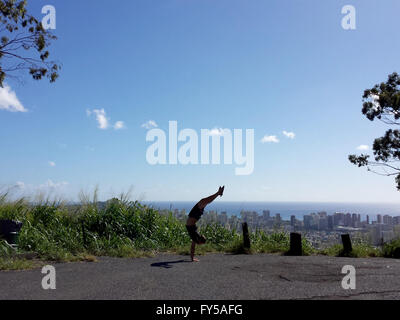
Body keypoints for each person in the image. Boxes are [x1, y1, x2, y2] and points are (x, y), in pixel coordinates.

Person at [186, 186, 225, 262]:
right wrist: (192, 258)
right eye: (200, 243)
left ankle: (218, 193)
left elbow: (193, 247)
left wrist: (192, 258)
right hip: (193, 218)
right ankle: (218, 193)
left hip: (194, 217)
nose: (199, 244)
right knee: (205, 202)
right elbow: (193, 247)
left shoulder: (195, 237)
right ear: (199, 241)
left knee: (205, 202)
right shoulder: (195, 236)